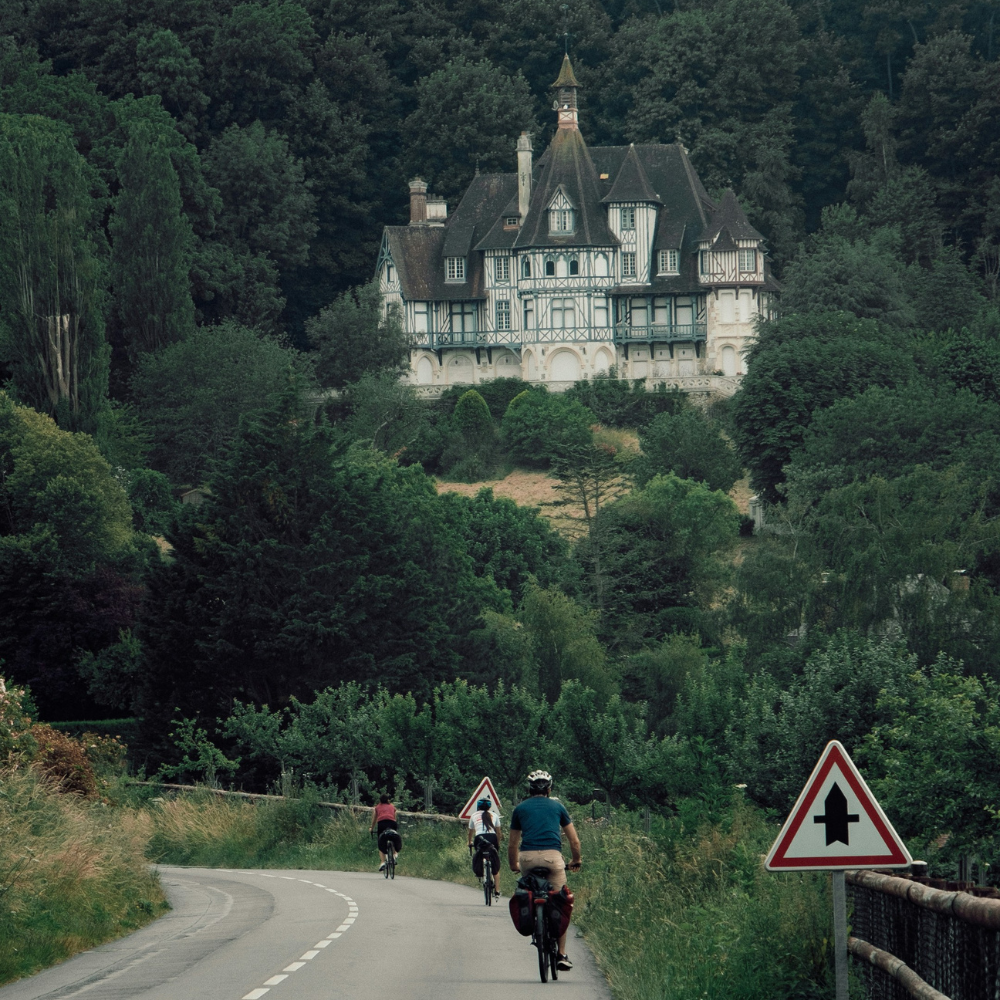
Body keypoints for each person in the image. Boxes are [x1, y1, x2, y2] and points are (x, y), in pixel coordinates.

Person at [508, 769, 581, 972]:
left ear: (529, 789)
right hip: (553, 858)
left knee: (530, 891)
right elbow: (574, 840)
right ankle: (561, 954)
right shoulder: (558, 807)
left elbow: (512, 844)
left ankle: (535, 921)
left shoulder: (520, 809)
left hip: (527, 858)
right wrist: (576, 860)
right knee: (561, 900)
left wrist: (513, 865)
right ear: (550, 789)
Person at [468, 797, 503, 898]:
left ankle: (481, 871)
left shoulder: (474, 815)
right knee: (495, 864)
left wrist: (469, 841)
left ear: (478, 806)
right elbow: (499, 832)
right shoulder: (494, 815)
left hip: (479, 838)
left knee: (479, 853)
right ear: (489, 806)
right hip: (493, 838)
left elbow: (470, 831)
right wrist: (498, 843)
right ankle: (497, 891)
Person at [369, 793, 402, 871]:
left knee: (381, 841)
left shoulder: (377, 807)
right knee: (393, 837)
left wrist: (371, 828)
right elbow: (394, 817)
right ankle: (394, 854)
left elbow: (374, 820)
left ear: (380, 800)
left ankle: (383, 862)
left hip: (382, 824)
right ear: (388, 800)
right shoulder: (392, 807)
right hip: (392, 823)